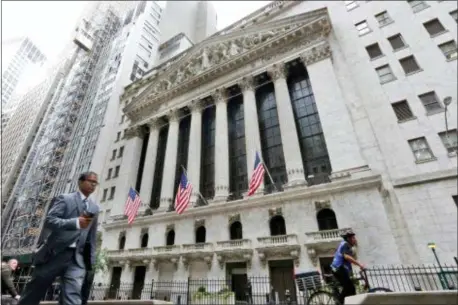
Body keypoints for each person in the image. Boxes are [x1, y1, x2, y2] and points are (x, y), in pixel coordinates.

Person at [18, 172, 100, 305]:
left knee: (73, 297)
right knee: (33, 292)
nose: (93, 184)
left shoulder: (94, 208)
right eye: (90, 181)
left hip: (77, 259)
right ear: (80, 182)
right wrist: (75, 222)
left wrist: (90, 261)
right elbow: (50, 221)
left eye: (95, 183)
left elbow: (91, 236)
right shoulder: (65, 198)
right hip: (54, 254)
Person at [330, 230, 365, 305]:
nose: (355, 239)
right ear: (348, 239)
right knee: (349, 287)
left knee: (352, 289)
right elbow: (347, 257)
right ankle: (338, 302)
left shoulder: (347, 246)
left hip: (340, 269)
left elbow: (349, 260)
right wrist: (359, 264)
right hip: (337, 268)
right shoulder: (345, 244)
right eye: (353, 238)